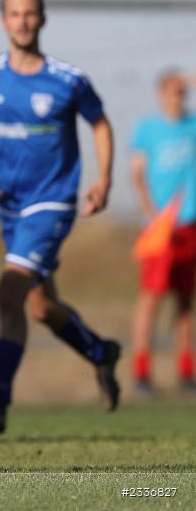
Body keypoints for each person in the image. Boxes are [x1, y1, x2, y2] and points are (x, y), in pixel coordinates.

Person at [0, 0, 121, 433]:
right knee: (42, 308)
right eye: (15, 13)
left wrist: (103, 178)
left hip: (52, 203)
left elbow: (101, 124)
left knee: (7, 292)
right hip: (9, 206)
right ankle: (101, 352)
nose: (23, 21)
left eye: (31, 13)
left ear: (42, 19)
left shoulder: (67, 80)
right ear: (3, 20)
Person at [129, 69, 196, 393]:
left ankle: (186, 372)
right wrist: (151, 214)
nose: (178, 96)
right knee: (151, 298)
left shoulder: (193, 126)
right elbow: (138, 176)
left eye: (182, 91)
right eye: (172, 90)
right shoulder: (148, 130)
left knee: (185, 302)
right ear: (160, 92)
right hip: (160, 227)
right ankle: (141, 372)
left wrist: (189, 77)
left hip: (191, 224)